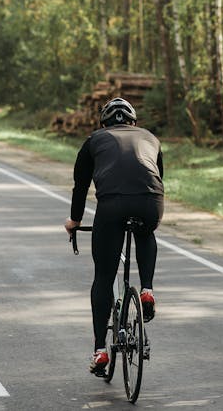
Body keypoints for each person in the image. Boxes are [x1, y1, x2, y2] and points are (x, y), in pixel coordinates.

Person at [64, 97, 164, 376]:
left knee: (104, 277)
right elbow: (159, 176)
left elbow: (80, 186)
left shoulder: (94, 139)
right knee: (145, 231)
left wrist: (75, 221)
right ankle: (147, 290)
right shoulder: (150, 137)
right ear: (133, 122)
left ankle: (100, 350)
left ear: (103, 123)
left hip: (112, 205)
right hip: (150, 201)